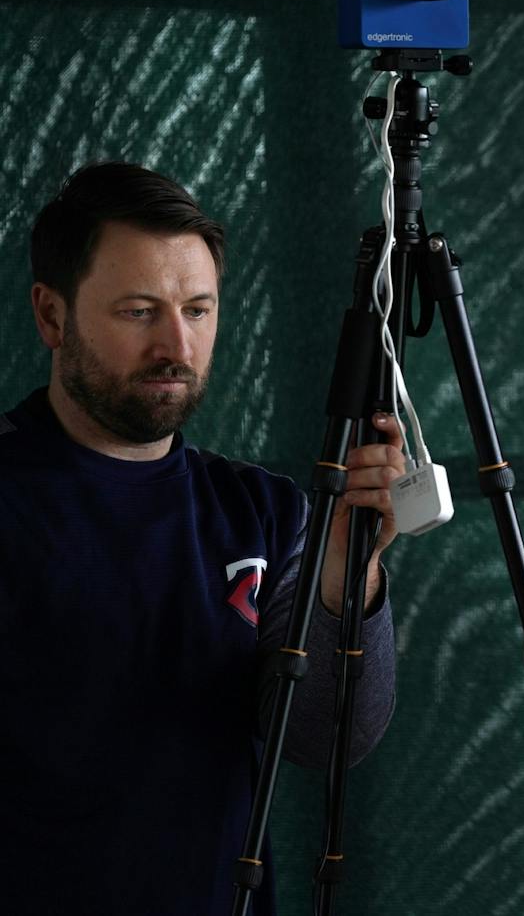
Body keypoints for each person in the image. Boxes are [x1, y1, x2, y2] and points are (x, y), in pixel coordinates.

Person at [0, 161, 405, 915]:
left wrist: (351, 571)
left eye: (198, 309)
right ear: (52, 316)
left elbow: (326, 736)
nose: (177, 347)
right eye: (139, 311)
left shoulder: (265, 511)